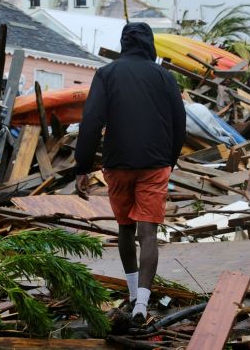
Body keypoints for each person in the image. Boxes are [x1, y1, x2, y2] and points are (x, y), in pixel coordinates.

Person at [74, 22, 186, 325]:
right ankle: (143, 305)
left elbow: (91, 120)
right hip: (155, 164)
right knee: (148, 234)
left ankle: (134, 293)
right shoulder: (165, 77)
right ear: (150, 43)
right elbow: (180, 123)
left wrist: (82, 166)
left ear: (124, 43)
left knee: (125, 228)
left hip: (118, 164)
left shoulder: (106, 74)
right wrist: (169, 160)